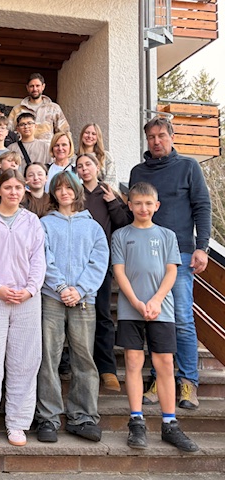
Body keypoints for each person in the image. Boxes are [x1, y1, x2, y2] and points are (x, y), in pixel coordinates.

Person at [129, 117, 211, 410]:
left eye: (161, 135)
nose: (156, 141)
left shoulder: (189, 167)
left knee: (182, 319)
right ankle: (159, 379)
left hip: (181, 255)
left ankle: (188, 382)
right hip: (146, 256)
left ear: (172, 137)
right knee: (154, 319)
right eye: (151, 137)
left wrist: (202, 247)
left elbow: (202, 206)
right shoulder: (139, 172)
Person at [112, 182, 199, 453]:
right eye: (138, 203)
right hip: (131, 309)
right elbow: (119, 272)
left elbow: (172, 271)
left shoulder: (167, 235)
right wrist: (137, 302)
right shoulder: (121, 235)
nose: (143, 208)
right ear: (129, 205)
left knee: (164, 363)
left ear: (157, 206)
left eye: (148, 203)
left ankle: (169, 423)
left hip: (162, 309)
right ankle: (136, 420)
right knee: (133, 361)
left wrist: (156, 300)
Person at [0, 169, 46, 447]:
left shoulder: (32, 221)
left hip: (27, 299)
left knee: (25, 362)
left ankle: (17, 424)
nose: (14, 192)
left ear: (24, 191)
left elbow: (38, 259)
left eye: (18, 187)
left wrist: (30, 289)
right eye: (8, 187)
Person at [35, 171, 109, 443]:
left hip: (84, 300)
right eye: (59, 188)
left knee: (84, 359)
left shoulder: (93, 227)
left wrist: (79, 289)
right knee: (48, 358)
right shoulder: (44, 224)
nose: (64, 192)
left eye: (69, 188)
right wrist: (61, 287)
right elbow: (42, 258)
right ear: (53, 194)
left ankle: (83, 417)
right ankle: (48, 417)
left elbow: (99, 263)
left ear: (77, 191)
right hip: (52, 298)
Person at [76, 153, 131, 391]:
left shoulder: (109, 192)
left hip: (101, 263)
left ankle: (107, 369)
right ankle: (78, 365)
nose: (84, 169)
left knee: (103, 314)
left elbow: (123, 223)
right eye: (79, 166)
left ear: (97, 167)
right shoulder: (75, 193)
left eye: (88, 164)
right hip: (76, 263)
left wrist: (112, 202)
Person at [9, 73, 70, 143]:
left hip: (47, 148)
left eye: (37, 86)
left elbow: (64, 132)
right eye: (31, 86)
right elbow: (8, 131)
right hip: (23, 148)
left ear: (43, 87)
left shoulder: (54, 108)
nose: (35, 89)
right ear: (27, 88)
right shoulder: (17, 109)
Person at [78, 123, 118, 191]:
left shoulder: (106, 157)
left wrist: (97, 193)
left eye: (93, 134)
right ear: (82, 135)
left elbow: (111, 181)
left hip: (103, 194)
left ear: (98, 137)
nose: (89, 136)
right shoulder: (74, 158)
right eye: (87, 133)